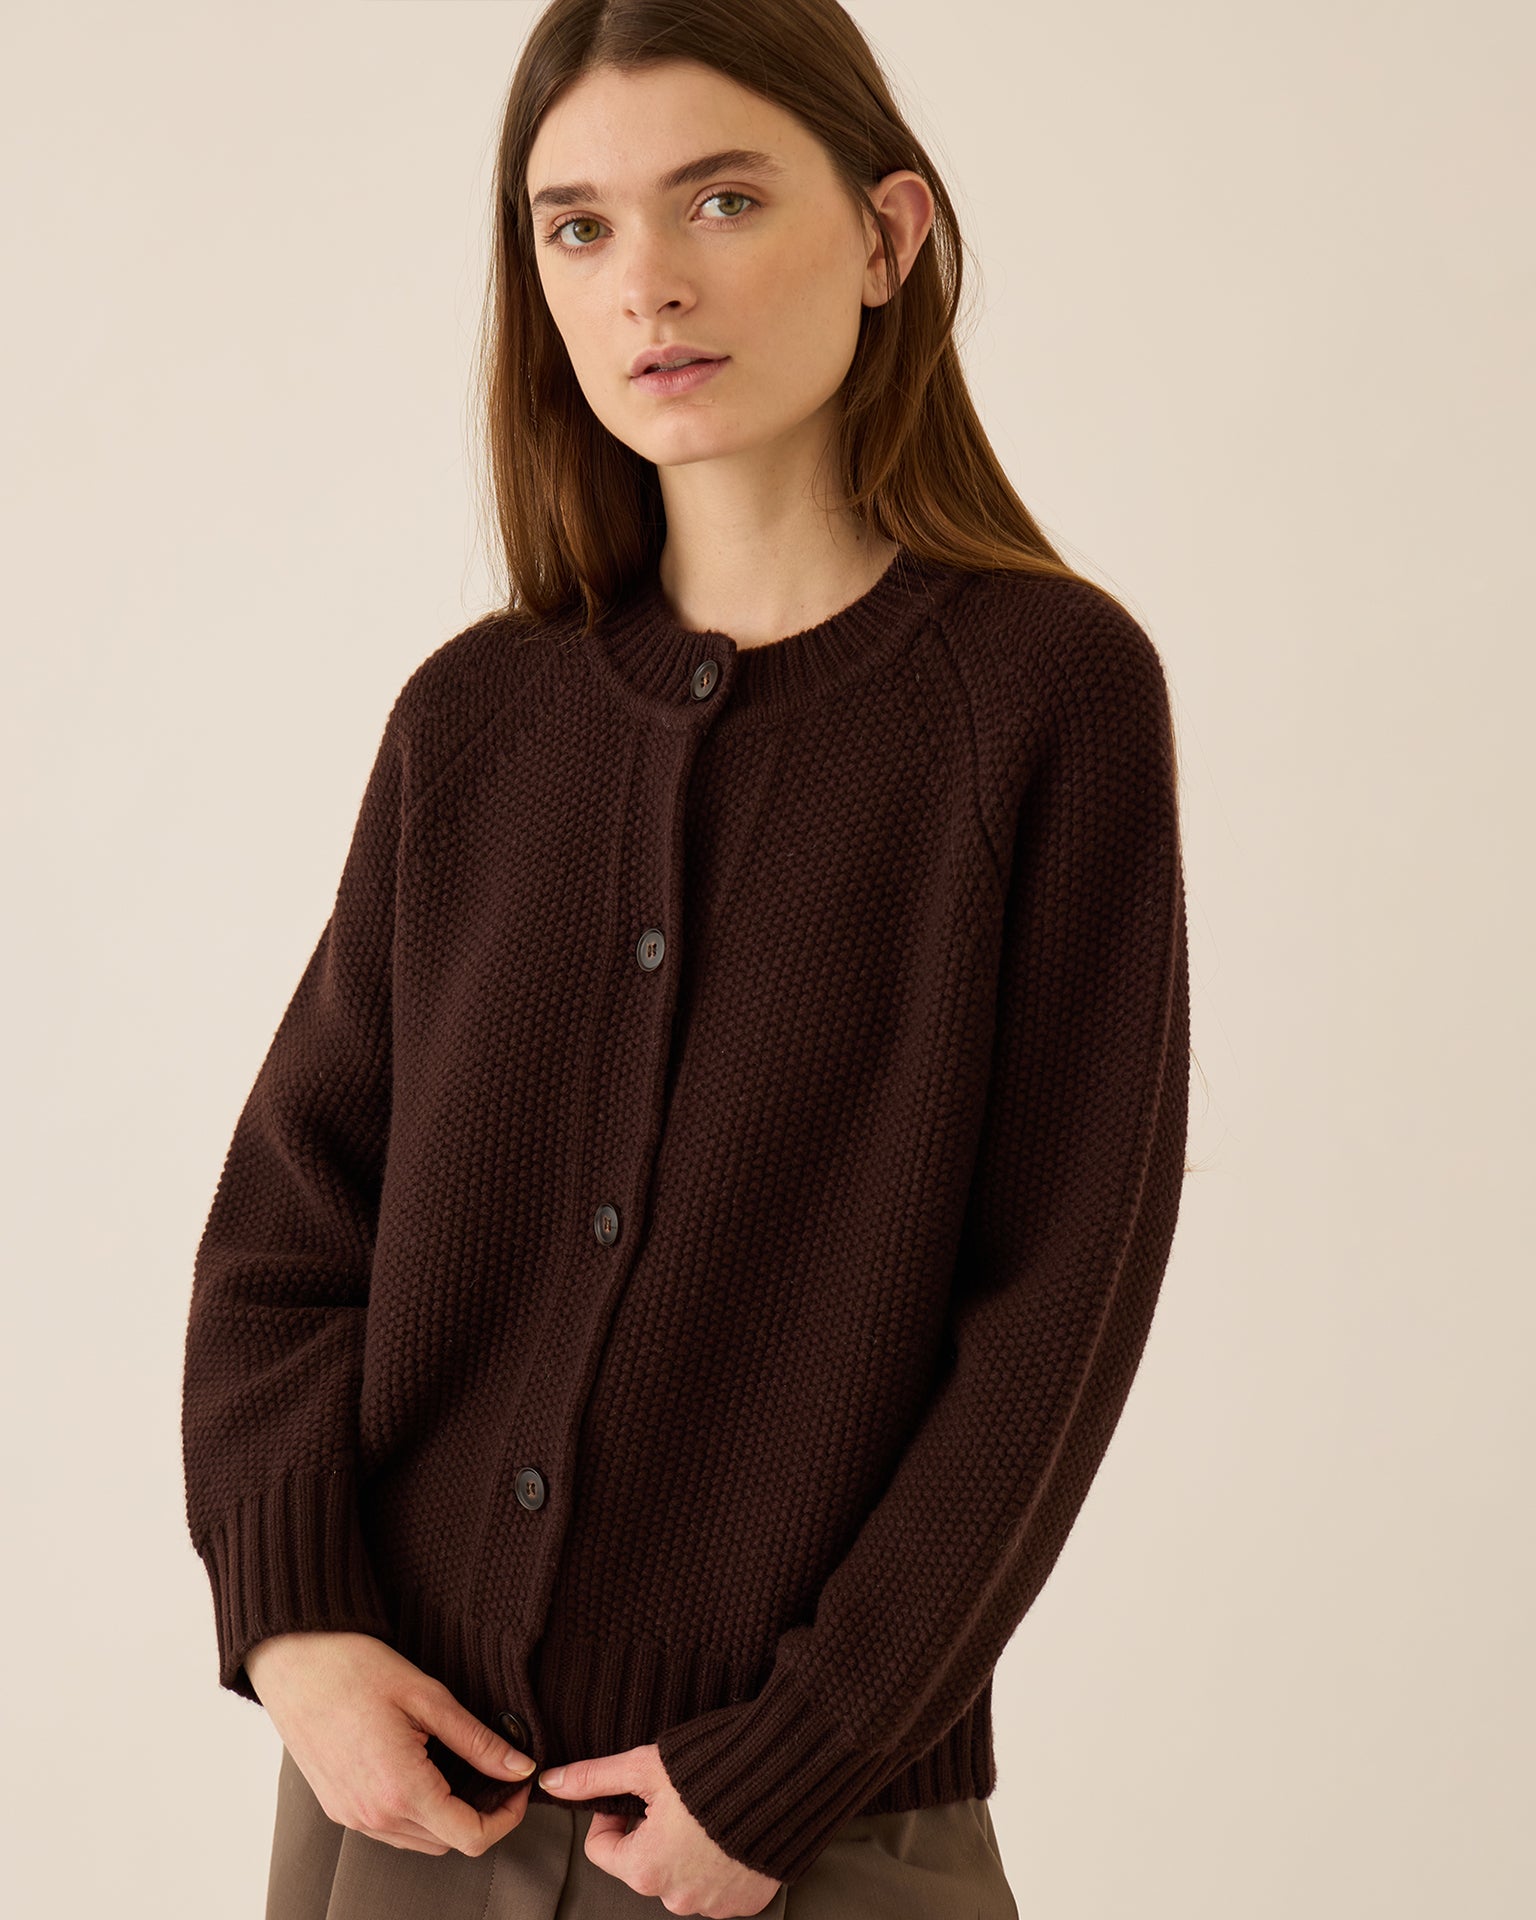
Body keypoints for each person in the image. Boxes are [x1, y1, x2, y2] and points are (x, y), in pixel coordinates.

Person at [180, 3, 1193, 1916]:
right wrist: (295, 1623)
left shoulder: (1044, 702)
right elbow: (290, 1229)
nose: (646, 281)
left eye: (719, 199)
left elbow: (1060, 1302)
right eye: (576, 226)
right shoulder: (473, 724)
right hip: (403, 1808)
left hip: (799, 1831)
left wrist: (802, 1750)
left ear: (891, 235)